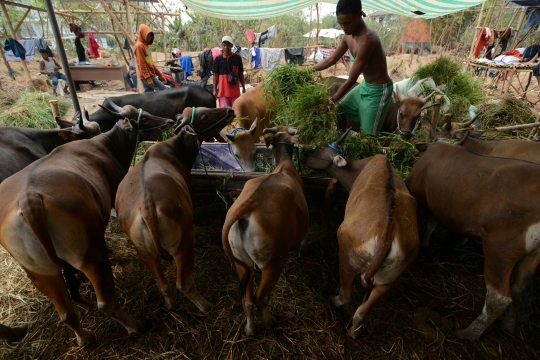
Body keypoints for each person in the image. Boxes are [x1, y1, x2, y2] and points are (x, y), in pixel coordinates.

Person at [313, 0, 393, 137]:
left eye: (347, 23)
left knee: (368, 138)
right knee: (341, 110)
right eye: (341, 24)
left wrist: (330, 102)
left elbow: (351, 79)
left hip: (378, 91)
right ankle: (343, 141)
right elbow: (332, 59)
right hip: (365, 86)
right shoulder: (348, 36)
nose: (344, 27)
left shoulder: (367, 40)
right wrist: (309, 70)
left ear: (358, 15)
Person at [212, 36, 246, 107]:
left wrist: (243, 87)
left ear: (231, 46)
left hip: (235, 93)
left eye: (228, 45)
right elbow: (215, 75)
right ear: (222, 46)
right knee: (225, 115)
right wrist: (215, 89)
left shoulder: (237, 58)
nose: (226, 47)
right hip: (223, 93)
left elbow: (240, 74)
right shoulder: (218, 59)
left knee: (236, 114)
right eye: (224, 45)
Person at [134, 24, 167, 93]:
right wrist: (148, 78)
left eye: (150, 35)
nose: (149, 37)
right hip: (147, 76)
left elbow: (150, 63)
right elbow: (141, 63)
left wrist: (160, 75)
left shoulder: (145, 46)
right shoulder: (139, 46)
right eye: (148, 35)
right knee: (164, 91)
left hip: (150, 75)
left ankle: (143, 103)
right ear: (142, 34)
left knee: (149, 94)